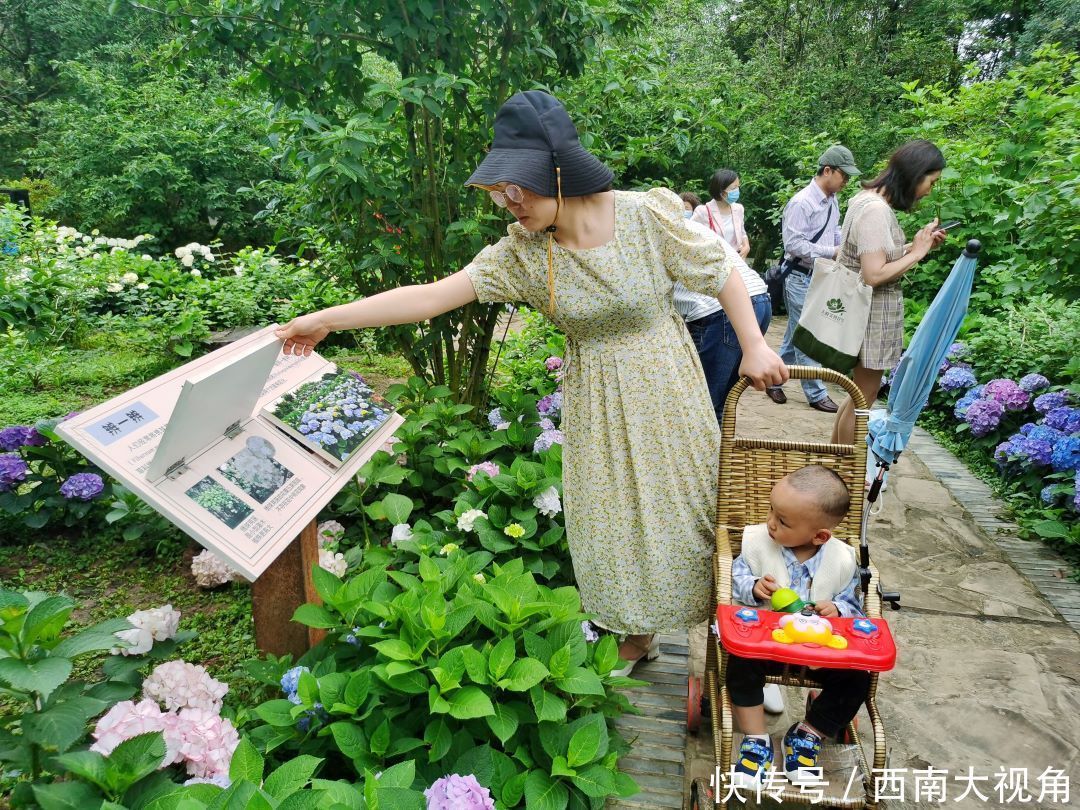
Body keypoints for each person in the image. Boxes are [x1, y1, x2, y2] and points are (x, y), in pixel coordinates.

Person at [274, 91, 787, 673]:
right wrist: (326, 319)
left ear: (558, 173)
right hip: (596, 395)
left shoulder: (645, 213)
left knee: (694, 509)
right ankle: (634, 634)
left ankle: (747, 635)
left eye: (516, 189)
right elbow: (428, 299)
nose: (507, 204)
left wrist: (754, 344)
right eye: (500, 193)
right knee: (609, 519)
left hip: (665, 382)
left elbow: (720, 270)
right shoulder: (523, 252)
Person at [727, 465, 869, 788]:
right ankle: (756, 738)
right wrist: (752, 587)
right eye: (771, 511)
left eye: (782, 521)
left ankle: (809, 732)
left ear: (820, 536)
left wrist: (839, 609)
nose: (770, 523)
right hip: (767, 646)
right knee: (739, 663)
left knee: (858, 678)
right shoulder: (757, 544)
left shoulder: (842, 560)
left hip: (820, 651)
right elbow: (732, 578)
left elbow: (854, 605)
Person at [831, 140, 947, 446]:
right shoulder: (876, 211)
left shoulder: (864, 199)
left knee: (859, 394)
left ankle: (834, 462)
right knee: (863, 399)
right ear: (915, 174)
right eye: (931, 182)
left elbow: (875, 256)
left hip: (864, 313)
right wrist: (917, 254)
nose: (929, 190)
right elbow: (873, 274)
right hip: (872, 315)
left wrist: (914, 245)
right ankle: (845, 471)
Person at [766, 146, 861, 413]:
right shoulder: (801, 202)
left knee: (796, 334)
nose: (846, 182)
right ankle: (816, 393)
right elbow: (794, 244)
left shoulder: (832, 200)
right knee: (809, 333)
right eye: (844, 175)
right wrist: (832, 251)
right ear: (827, 170)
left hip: (819, 276)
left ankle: (773, 377)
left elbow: (832, 234)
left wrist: (846, 245)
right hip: (797, 276)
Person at [675, 191, 772, 424]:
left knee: (706, 404)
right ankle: (721, 456)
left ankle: (707, 459)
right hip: (759, 301)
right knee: (723, 401)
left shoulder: (652, 235)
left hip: (721, 312)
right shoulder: (687, 228)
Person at [691, 169, 750, 259]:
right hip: (713, 263)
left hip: (736, 260)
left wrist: (746, 246)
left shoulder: (738, 209)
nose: (737, 191)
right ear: (722, 192)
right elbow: (690, 236)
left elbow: (742, 232)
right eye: (734, 188)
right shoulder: (703, 211)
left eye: (738, 186)